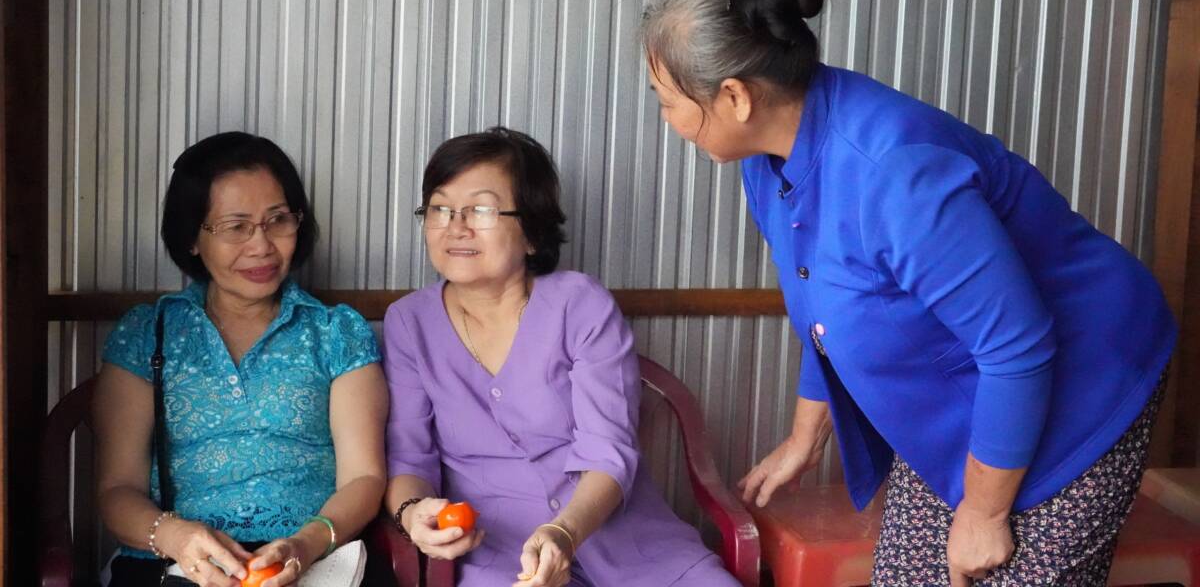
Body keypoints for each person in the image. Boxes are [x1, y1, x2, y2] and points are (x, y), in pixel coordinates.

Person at [639, 0, 1177, 586]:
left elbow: (1017, 345)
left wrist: (983, 512)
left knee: (1005, 567)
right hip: (965, 390)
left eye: (668, 101)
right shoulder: (769, 158)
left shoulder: (894, 176)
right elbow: (822, 306)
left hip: (1079, 375)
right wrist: (807, 434)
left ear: (735, 96)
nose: (666, 120)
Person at [382, 127, 739, 587]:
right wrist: (413, 513)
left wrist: (563, 533)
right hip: (500, 559)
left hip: (633, 549)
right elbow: (410, 457)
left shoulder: (579, 304)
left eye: (482, 210)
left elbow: (609, 451)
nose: (456, 226)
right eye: (440, 208)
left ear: (532, 233)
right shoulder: (409, 323)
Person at [94, 132, 389, 587]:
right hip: (176, 565)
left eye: (278, 220)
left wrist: (305, 544)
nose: (262, 246)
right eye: (236, 227)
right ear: (192, 238)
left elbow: (363, 477)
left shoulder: (336, 334)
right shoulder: (147, 334)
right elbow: (118, 488)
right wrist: (177, 538)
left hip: (312, 561)